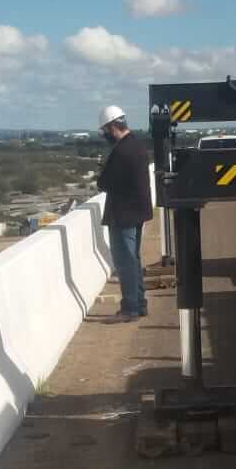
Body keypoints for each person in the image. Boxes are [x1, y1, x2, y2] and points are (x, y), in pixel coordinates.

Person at [95, 105, 153, 320]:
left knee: (125, 262)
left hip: (123, 214)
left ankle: (130, 308)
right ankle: (140, 303)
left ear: (112, 127)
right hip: (137, 212)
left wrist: (102, 172)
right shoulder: (137, 145)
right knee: (134, 260)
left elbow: (104, 183)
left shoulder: (120, 151)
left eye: (105, 131)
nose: (105, 135)